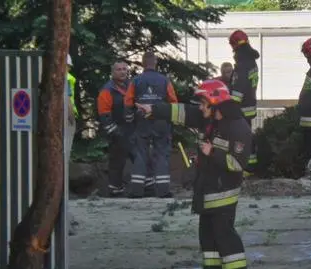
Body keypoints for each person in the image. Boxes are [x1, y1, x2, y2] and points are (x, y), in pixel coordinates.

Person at [136, 79, 251, 269]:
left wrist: (212, 153)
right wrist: (153, 110)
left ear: (215, 103)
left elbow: (238, 163)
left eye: (203, 103)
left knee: (225, 237)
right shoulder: (207, 119)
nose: (200, 108)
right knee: (207, 240)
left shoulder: (238, 128)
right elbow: (181, 111)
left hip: (223, 195)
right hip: (206, 192)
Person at [124, 52, 177, 198]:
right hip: (161, 120)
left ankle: (137, 191)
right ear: (155, 63)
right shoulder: (164, 80)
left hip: (142, 120)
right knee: (161, 153)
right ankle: (163, 191)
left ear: (142, 63)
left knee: (140, 153)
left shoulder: (136, 81)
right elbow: (173, 102)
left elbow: (128, 102)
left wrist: (129, 118)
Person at [97, 61, 134, 197]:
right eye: (119, 69)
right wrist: (114, 132)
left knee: (140, 157)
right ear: (113, 72)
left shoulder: (131, 86)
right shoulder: (107, 90)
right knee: (117, 161)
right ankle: (115, 189)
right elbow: (104, 114)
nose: (123, 72)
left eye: (125, 69)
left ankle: (142, 187)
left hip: (132, 128)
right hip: (117, 130)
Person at [228, 29, 260, 175]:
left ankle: (244, 167)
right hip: (249, 106)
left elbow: (239, 88)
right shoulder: (251, 62)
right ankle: (250, 166)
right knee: (247, 136)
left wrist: (230, 106)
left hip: (240, 108)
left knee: (240, 138)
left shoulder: (242, 64)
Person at [65, 54, 78, 169]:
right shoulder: (66, 78)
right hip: (65, 117)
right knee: (65, 151)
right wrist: (71, 117)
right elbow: (67, 99)